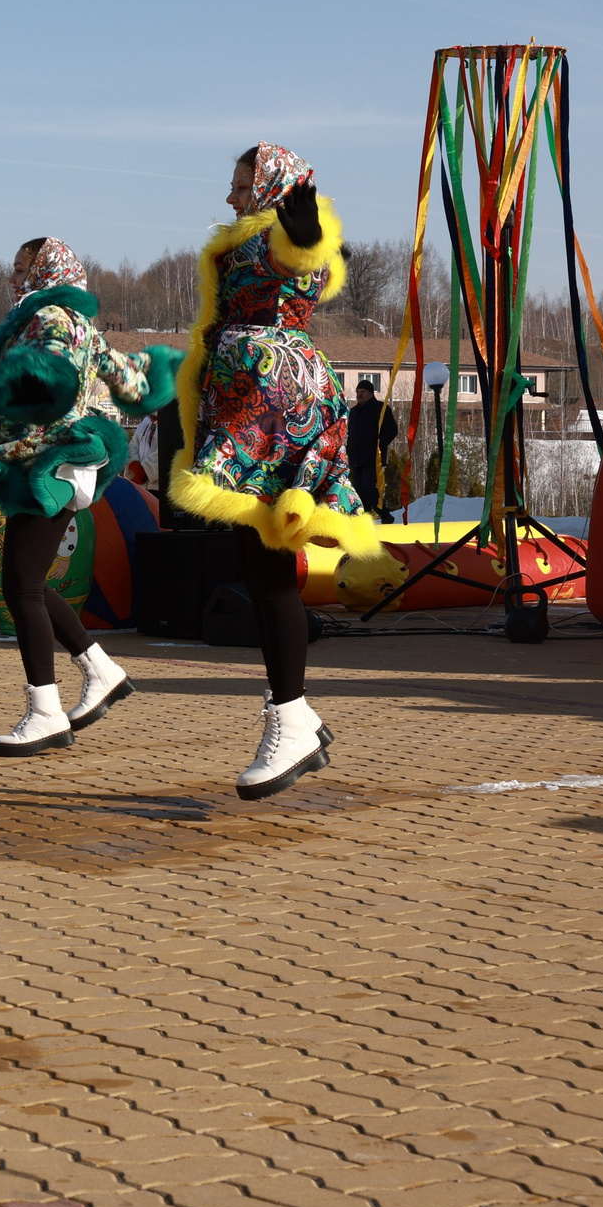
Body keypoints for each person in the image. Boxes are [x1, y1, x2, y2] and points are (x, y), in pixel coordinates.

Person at [169, 144, 380, 798]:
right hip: (250, 404)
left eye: (240, 186)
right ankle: (296, 716)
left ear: (269, 190)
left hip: (272, 406)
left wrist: (305, 226)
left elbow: (308, 251)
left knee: (265, 570)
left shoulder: (281, 239)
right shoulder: (247, 244)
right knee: (261, 572)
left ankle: (289, 718)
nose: (231, 197)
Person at [0, 238, 180, 756]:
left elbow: (50, 386)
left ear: (45, 271)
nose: (13, 278)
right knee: (24, 582)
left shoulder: (51, 317)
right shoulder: (77, 322)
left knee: (21, 587)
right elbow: (128, 378)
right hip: (59, 459)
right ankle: (101, 670)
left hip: (48, 459)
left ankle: (46, 711)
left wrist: (2, 433)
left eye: (21, 268)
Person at [345, 380, 399, 516]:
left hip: (373, 458)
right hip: (356, 458)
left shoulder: (380, 408)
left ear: (370, 393)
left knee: (368, 487)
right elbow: (351, 434)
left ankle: (385, 515)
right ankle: (366, 518)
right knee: (358, 490)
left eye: (363, 392)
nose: (359, 395)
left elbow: (392, 430)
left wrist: (379, 445)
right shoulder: (354, 412)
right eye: (358, 392)